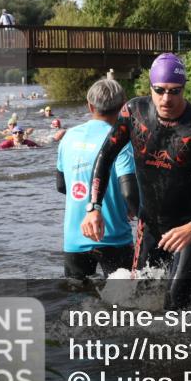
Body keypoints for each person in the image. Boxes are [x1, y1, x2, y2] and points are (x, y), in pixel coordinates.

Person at [83, 53, 191, 309]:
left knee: (175, 301)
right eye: (160, 90)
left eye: (174, 91)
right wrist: (94, 207)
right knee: (137, 300)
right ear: (151, 87)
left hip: (190, 228)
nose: (166, 98)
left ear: (184, 89)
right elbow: (105, 156)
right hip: (150, 224)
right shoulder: (133, 112)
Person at [57, 79, 140, 280]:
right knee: (125, 305)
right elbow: (129, 190)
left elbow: (61, 186)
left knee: (77, 302)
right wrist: (136, 210)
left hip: (75, 238)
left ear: (90, 105)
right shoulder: (122, 140)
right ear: (123, 106)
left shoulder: (68, 137)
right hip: (114, 237)